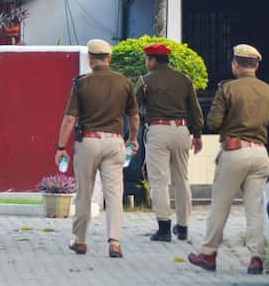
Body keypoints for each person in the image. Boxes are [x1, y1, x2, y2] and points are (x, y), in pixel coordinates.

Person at [188, 44, 269, 275]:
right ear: (257, 65)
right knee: (254, 209)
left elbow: (214, 123)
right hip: (260, 154)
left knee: (220, 205)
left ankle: (209, 254)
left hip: (234, 153)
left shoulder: (227, 89)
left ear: (236, 64)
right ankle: (257, 258)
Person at [54, 39, 140, 257]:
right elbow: (134, 115)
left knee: (85, 192)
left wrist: (60, 146)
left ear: (90, 60)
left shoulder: (81, 83)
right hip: (115, 142)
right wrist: (133, 138)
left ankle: (81, 240)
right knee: (114, 193)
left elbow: (70, 119)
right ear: (109, 59)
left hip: (89, 142)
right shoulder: (125, 83)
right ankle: (115, 242)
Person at [134, 43, 203, 242]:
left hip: (158, 130)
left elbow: (133, 106)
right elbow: (195, 110)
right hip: (182, 130)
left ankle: (164, 228)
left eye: (148, 59)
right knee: (182, 179)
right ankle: (183, 228)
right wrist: (197, 135)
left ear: (153, 60)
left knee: (159, 181)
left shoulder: (145, 81)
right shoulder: (184, 79)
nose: (147, 63)